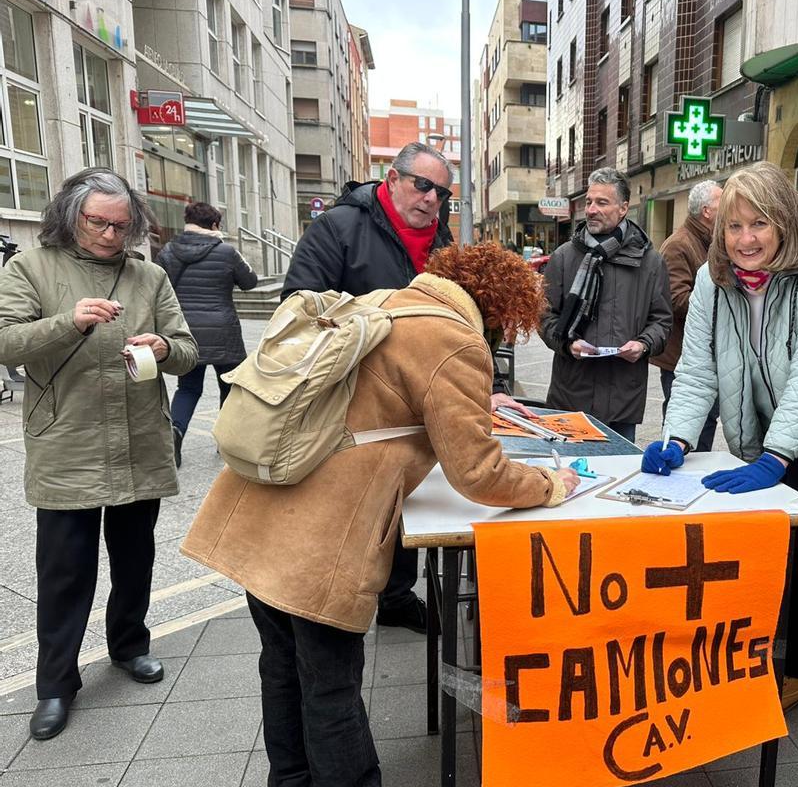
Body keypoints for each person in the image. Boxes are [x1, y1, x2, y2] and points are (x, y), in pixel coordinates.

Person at [182, 242, 579, 787]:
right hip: (322, 531)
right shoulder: (456, 341)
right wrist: (551, 485)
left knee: (281, 665)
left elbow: (386, 398)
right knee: (331, 678)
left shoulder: (384, 303)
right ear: (501, 310)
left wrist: (478, 404)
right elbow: (479, 474)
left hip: (259, 506)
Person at [282, 142, 530, 633]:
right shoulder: (339, 228)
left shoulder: (441, 243)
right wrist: (376, 334)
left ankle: (396, 598)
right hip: (352, 400)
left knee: (406, 494)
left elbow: (468, 330)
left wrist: (485, 388)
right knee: (361, 507)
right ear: (391, 179)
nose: (432, 199)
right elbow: (297, 309)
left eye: (442, 192)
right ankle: (347, 597)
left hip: (413, 404)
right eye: (423, 185)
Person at [642, 161, 798, 712]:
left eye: (757, 225)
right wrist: (679, 438)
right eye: (733, 228)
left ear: (783, 222)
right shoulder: (717, 280)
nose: (745, 240)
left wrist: (779, 455)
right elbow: (696, 370)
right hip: (760, 432)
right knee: (769, 547)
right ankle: (762, 652)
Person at [0, 168, 198, 740]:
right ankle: (56, 685)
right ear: (71, 215)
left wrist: (163, 346)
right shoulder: (30, 267)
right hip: (70, 442)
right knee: (65, 573)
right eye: (99, 223)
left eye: (122, 225)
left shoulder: (151, 276)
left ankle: (129, 646)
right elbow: (6, 340)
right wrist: (68, 322)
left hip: (139, 438)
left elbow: (186, 351)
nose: (112, 235)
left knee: (135, 559)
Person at [539, 167, 672, 443]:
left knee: (617, 479)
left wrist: (644, 344)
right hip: (570, 396)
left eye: (602, 202)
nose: (591, 210)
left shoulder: (650, 262)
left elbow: (661, 321)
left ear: (623, 208)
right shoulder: (564, 257)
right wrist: (567, 343)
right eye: (589, 202)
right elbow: (544, 316)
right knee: (570, 479)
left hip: (621, 400)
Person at [155, 201, 257, 466]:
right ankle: (226, 443)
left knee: (188, 388)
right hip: (224, 331)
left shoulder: (168, 251)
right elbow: (249, 282)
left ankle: (175, 434)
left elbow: (157, 290)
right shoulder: (226, 252)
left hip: (185, 332)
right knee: (230, 387)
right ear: (214, 225)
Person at [649, 179, 722, 452]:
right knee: (684, 426)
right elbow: (677, 300)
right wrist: (721, 303)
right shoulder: (679, 245)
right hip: (682, 359)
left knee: (706, 423)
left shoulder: (709, 241)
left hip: (705, 355)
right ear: (706, 211)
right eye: (721, 203)